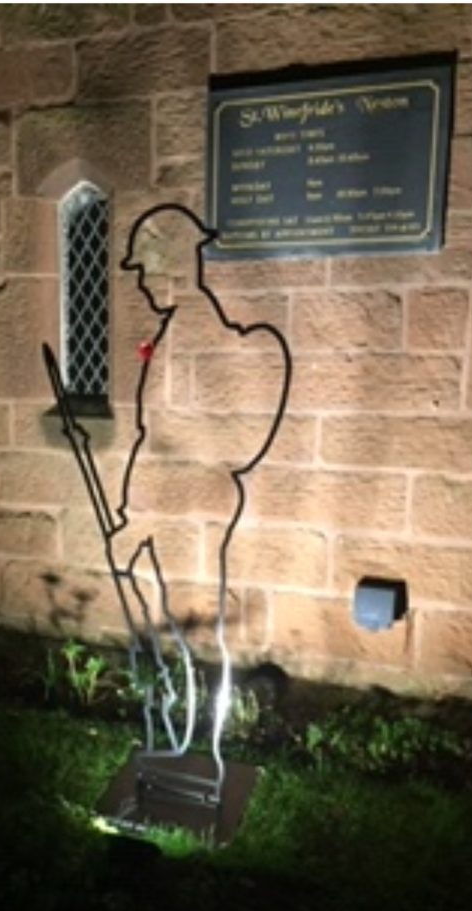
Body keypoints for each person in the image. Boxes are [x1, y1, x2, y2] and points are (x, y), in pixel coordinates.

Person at [109, 203, 292, 784]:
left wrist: (143, 516)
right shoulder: (174, 333)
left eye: (147, 269)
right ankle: (173, 737)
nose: (141, 282)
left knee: (191, 620)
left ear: (177, 264)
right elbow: (153, 441)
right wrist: (132, 513)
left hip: (187, 510)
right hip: (157, 507)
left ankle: (198, 747)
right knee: (163, 617)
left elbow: (191, 450)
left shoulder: (203, 335)